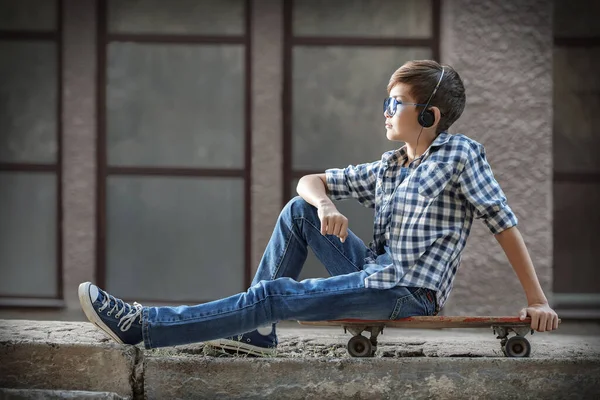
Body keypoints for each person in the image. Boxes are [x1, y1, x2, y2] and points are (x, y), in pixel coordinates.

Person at [78, 60, 559, 356]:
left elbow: (504, 224)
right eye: (386, 102)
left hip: (408, 290)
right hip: (375, 272)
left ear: (429, 116)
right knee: (299, 210)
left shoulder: (460, 155)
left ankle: (144, 327)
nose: (386, 112)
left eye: (396, 103)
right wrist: (326, 203)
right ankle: (256, 332)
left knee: (275, 295)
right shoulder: (390, 166)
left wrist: (536, 299)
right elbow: (309, 182)